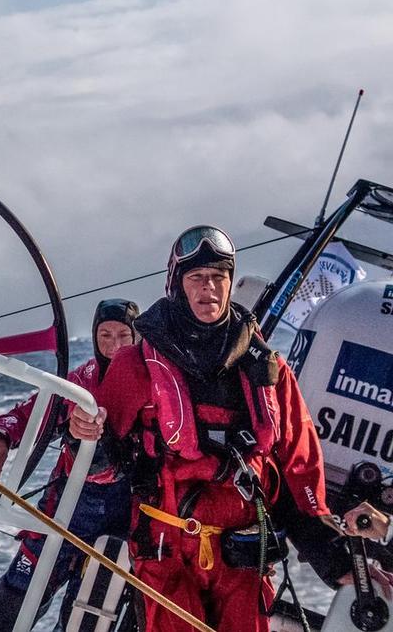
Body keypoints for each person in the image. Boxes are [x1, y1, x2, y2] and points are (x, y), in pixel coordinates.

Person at [70, 225, 353, 632]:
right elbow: (100, 457)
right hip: (166, 552)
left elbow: (298, 467)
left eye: (219, 278)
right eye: (197, 278)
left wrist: (334, 561)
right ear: (177, 284)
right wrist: (84, 432)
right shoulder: (136, 365)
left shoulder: (266, 368)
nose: (209, 288)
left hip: (242, 555)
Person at [0, 299, 139, 631]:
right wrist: (0, 436)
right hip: (65, 510)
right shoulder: (79, 382)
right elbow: (28, 412)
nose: (115, 345)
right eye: (105, 335)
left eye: (123, 335)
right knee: (13, 602)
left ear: (137, 337)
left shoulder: (152, 384)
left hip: (123, 519)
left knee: (86, 618)